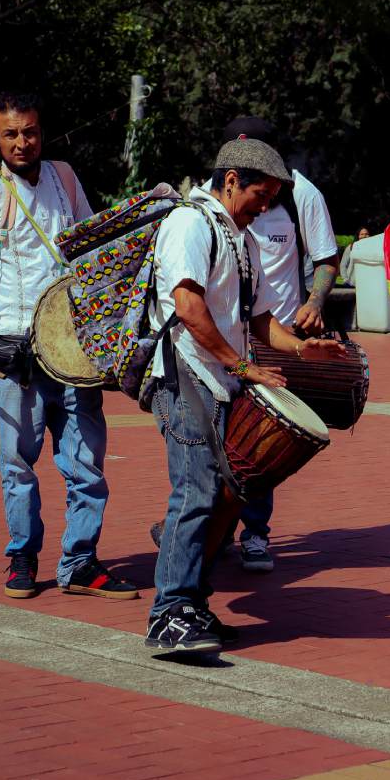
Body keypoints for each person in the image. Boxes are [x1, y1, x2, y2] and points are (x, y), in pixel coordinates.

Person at [0, 92, 138, 601]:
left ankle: (81, 563)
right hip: (8, 347)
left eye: (31, 131)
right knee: (18, 461)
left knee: (86, 460)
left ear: (42, 132)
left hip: (70, 344)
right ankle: (23, 555)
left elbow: (92, 244)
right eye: (12, 134)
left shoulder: (65, 179)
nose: (23, 142)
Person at [144, 137, 346, 651]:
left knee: (230, 493)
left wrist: (303, 352)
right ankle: (167, 614)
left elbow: (256, 321)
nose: (268, 205)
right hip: (183, 372)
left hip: (222, 377)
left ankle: (192, 604)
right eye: (262, 193)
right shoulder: (189, 223)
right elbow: (188, 308)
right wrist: (243, 367)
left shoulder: (244, 239)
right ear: (230, 179)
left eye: (275, 195)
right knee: (194, 494)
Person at [218, 117, 340, 573]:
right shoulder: (220, 197)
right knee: (219, 438)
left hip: (276, 339)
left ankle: (255, 533)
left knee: (261, 440)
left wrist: (314, 301)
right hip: (226, 339)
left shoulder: (301, 194)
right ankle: (214, 527)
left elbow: (326, 258)